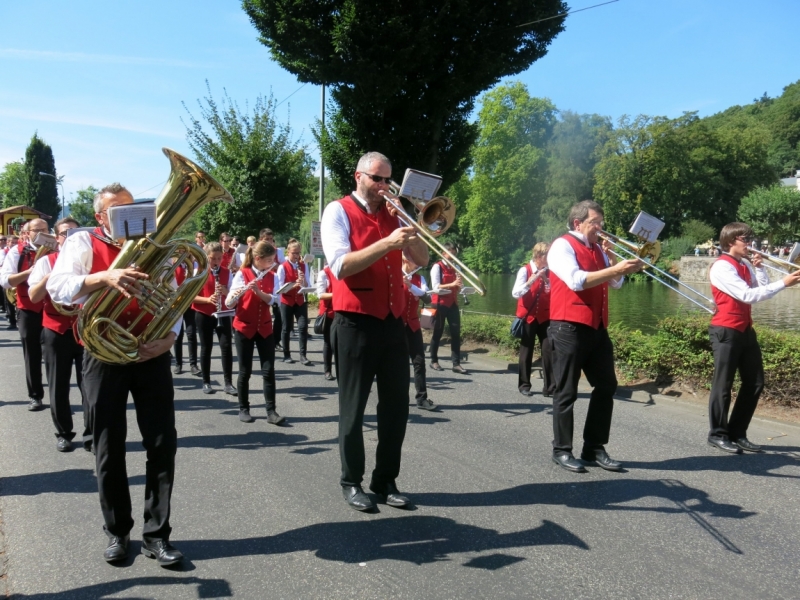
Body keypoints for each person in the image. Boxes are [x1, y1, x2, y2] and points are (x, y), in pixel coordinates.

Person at [47, 183, 184, 566]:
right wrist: (103, 278)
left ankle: (157, 535)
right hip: (102, 354)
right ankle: (117, 532)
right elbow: (58, 288)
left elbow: (175, 298)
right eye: (117, 212)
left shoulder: (155, 246)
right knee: (109, 446)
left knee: (162, 443)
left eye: (132, 210)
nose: (130, 218)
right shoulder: (82, 243)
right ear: (100, 217)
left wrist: (171, 336)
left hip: (149, 353)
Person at [321, 151, 429, 512]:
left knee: (396, 407)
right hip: (355, 323)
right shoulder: (338, 211)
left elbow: (423, 260)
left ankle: (385, 480)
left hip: (392, 322)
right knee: (353, 409)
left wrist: (409, 223)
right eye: (376, 179)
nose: (383, 186)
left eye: (387, 180)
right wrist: (387, 242)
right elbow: (340, 266)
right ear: (358, 177)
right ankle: (351, 481)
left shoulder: (393, 213)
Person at [546, 200, 643, 473]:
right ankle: (562, 450)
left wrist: (614, 263)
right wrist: (616, 269)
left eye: (601, 222)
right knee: (566, 392)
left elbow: (616, 283)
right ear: (578, 223)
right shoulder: (562, 245)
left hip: (597, 327)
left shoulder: (598, 249)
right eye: (595, 223)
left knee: (606, 386)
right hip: (568, 327)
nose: (601, 228)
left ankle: (593, 448)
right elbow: (576, 280)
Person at [706, 223, 800, 454]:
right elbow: (747, 295)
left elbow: (760, 289)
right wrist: (784, 283)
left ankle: (737, 432)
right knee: (723, 385)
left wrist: (760, 269)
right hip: (725, 330)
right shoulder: (721, 267)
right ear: (730, 242)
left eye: (749, 239)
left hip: (745, 329)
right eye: (745, 239)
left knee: (755, 382)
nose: (750, 243)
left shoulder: (744, 264)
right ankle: (717, 434)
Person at [28, 217, 89, 452]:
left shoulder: (87, 261)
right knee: (58, 386)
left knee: (90, 386)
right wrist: (50, 276)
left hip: (85, 329)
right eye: (66, 234)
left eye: (76, 233)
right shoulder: (46, 262)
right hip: (55, 330)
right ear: (57, 238)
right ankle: (64, 433)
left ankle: (92, 433)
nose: (71, 238)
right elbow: (34, 297)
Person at [225, 241, 284, 425]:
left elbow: (276, 301)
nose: (272, 263)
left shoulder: (273, 276)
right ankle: (244, 408)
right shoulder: (242, 274)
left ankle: (271, 411)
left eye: (273, 260)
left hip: (265, 327)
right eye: (268, 260)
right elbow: (229, 303)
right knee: (245, 371)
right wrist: (240, 293)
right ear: (257, 259)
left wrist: (258, 291)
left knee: (268, 371)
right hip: (244, 328)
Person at [1, 218, 48, 410]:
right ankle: (35, 395)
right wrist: (30, 272)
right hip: (28, 308)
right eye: (37, 230)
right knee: (32, 353)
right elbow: (5, 281)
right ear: (28, 233)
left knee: (56, 354)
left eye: (45, 229)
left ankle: (59, 395)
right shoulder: (16, 251)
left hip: (54, 308)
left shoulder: (59, 248)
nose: (42, 233)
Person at [191, 241, 236, 396]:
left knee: (226, 347)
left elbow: (233, 296)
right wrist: (207, 300)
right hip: (203, 313)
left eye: (218, 258)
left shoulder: (227, 272)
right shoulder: (198, 272)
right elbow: (190, 297)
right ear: (206, 257)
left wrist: (225, 291)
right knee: (206, 347)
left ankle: (228, 383)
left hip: (222, 313)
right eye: (212, 259)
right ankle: (206, 381)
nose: (216, 262)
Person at [512, 243, 555, 398]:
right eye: (547, 256)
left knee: (549, 350)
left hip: (545, 317)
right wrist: (530, 281)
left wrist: (547, 281)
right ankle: (524, 385)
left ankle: (549, 388)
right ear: (539, 256)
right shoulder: (525, 270)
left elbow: (554, 294)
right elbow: (516, 293)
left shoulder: (551, 272)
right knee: (526, 350)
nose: (550, 259)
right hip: (528, 317)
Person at [402, 256, 437, 411]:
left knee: (419, 362)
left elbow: (428, 298)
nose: (418, 262)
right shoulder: (394, 275)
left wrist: (410, 286)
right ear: (405, 260)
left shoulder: (419, 278)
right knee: (398, 364)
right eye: (414, 259)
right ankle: (398, 397)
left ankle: (421, 398)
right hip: (396, 326)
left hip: (413, 325)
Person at [429, 242, 467, 374]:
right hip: (439, 303)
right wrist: (452, 283)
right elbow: (435, 287)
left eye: (454, 254)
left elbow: (459, 286)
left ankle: (456, 364)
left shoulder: (456, 267)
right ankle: (433, 360)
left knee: (456, 334)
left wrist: (463, 288)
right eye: (451, 254)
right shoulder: (436, 267)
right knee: (437, 334)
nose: (453, 257)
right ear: (444, 253)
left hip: (453, 304)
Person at [276, 239, 313, 366]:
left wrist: (302, 282)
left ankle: (303, 355)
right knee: (286, 328)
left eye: (298, 253)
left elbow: (308, 283)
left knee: (303, 327)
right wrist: (293, 285)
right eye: (294, 253)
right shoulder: (282, 267)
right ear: (288, 252)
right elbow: (280, 288)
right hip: (286, 300)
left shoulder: (303, 266)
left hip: (300, 300)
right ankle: (287, 354)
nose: (296, 256)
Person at [171, 262, 199, 376]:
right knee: (178, 334)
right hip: (177, 304)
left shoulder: (194, 265)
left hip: (190, 303)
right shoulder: (173, 265)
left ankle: (193, 364)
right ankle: (178, 364)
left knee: (191, 333)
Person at [259, 228, 284, 350]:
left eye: (270, 239)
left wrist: (276, 265)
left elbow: (283, 266)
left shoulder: (278, 252)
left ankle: (275, 340)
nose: (269, 241)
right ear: (261, 240)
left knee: (278, 314)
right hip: (260, 283)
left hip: (274, 283)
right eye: (266, 239)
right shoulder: (256, 252)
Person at [315, 265, 336, 380]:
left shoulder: (343, 271)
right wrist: (337, 294)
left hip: (341, 312)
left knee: (340, 344)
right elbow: (320, 295)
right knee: (328, 342)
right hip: (328, 313)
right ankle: (327, 371)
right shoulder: (324, 273)